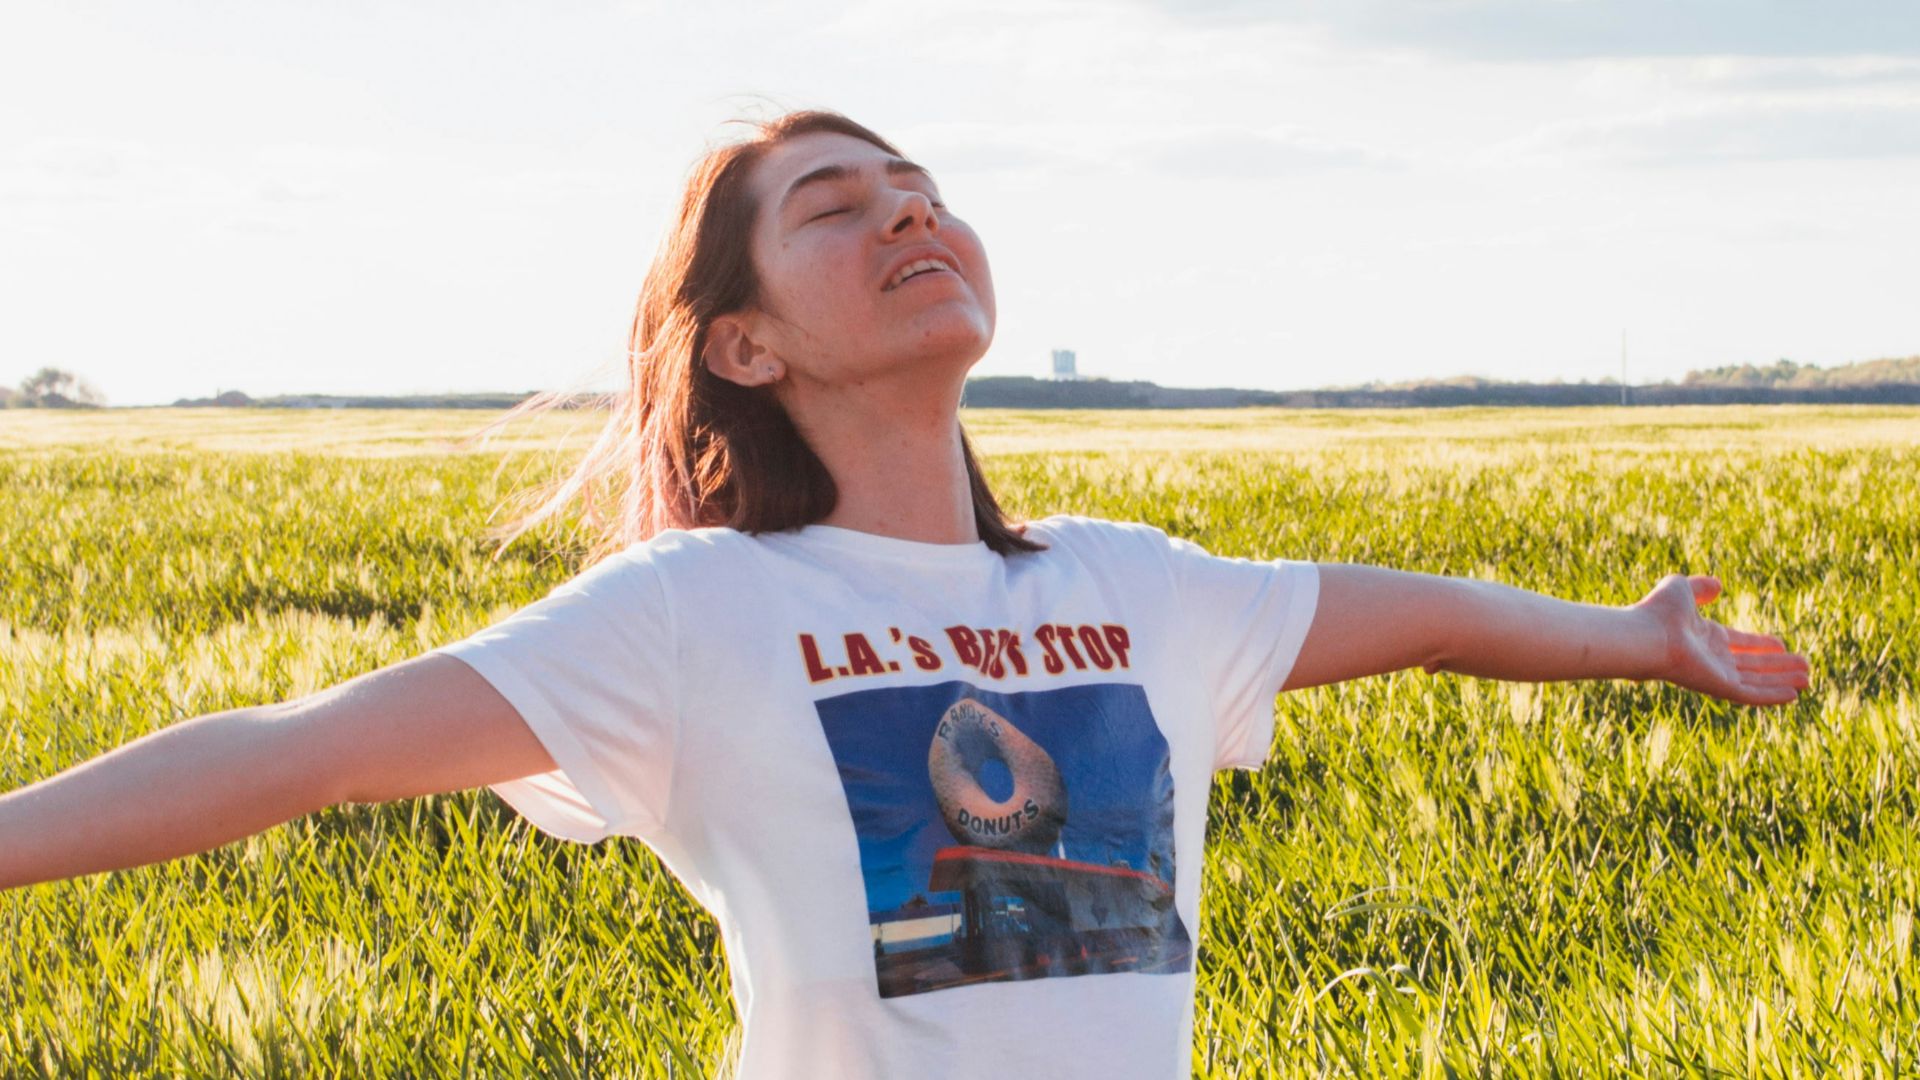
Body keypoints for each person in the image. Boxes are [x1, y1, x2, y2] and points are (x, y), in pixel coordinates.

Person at [0, 110, 1810, 1079]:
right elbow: (301, 749)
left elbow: (1415, 614)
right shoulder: (689, 614)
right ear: (747, 344)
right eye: (839, 208)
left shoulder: (1135, 587)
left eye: (926, 193)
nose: (909, 218)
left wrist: (1645, 638)